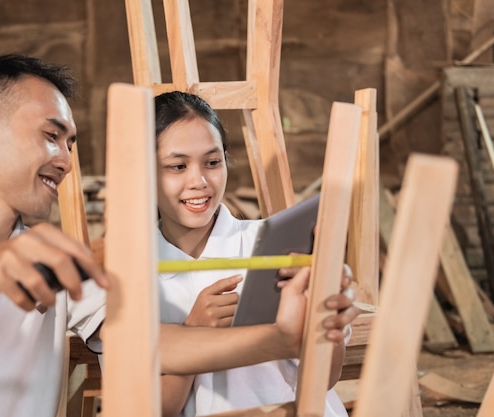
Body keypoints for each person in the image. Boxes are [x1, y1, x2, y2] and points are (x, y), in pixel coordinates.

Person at [0, 54, 319, 417]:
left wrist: (282, 337)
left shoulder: (57, 262)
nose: (65, 160)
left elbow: (153, 345)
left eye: (70, 143)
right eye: (51, 136)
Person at [154, 91, 360, 417]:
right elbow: (158, 409)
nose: (199, 181)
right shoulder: (136, 276)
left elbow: (325, 379)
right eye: (177, 166)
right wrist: (192, 334)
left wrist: (327, 315)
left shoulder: (274, 245)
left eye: (212, 162)